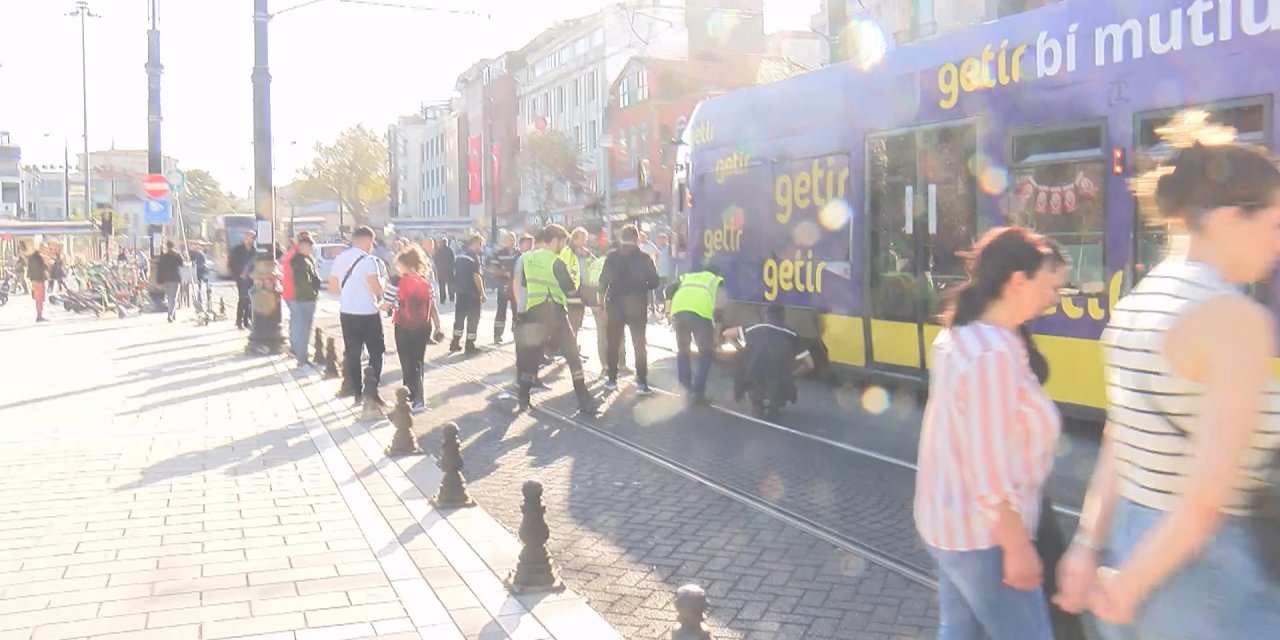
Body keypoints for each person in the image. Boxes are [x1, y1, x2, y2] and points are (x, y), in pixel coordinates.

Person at [1055, 141, 1280, 639]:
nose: (1278, 244)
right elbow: (1205, 497)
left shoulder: (1141, 300)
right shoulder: (1235, 319)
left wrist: (1088, 545)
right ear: (1227, 220)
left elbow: (1122, 437)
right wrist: (1132, 586)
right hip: (1211, 570)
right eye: (1274, 225)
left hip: (1134, 541)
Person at [912, 227, 1065, 640]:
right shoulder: (992, 354)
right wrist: (1016, 547)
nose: (1053, 298)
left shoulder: (963, 335)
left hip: (950, 526)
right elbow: (989, 473)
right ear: (1018, 281)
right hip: (984, 539)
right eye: (1050, 286)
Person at [514, 224, 597, 415]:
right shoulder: (556, 261)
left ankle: (523, 397)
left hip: (533, 311)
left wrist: (521, 313)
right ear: (555, 240)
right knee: (572, 355)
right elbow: (570, 288)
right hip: (555, 312)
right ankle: (583, 398)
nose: (563, 246)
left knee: (531, 357)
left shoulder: (526, 259)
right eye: (563, 242)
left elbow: (523, 288)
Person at [327, 226, 388, 403]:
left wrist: (350, 291)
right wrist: (383, 281)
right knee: (376, 351)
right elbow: (377, 288)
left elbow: (332, 287)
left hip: (347, 311)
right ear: (368, 240)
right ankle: (372, 388)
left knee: (353, 352)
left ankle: (357, 393)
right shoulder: (370, 261)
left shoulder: (340, 259)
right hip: (368, 311)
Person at [723, 303, 813, 418]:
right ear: (783, 317)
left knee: (748, 364)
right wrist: (792, 375)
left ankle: (757, 404)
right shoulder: (791, 334)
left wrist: (741, 349)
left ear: (766, 315)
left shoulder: (755, 328)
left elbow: (726, 334)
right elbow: (810, 365)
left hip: (754, 373)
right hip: (779, 376)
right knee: (779, 373)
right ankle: (774, 405)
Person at [599, 225, 659, 394]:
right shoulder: (645, 258)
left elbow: (603, 281)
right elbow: (654, 282)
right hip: (637, 305)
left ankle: (611, 380)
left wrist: (601, 302)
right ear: (637, 238)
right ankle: (641, 382)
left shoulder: (611, 257)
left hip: (615, 304)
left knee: (613, 343)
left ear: (621, 237)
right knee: (639, 344)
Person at [383, 247, 443, 413]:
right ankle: (419, 400)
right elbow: (433, 306)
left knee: (406, 363)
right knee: (418, 362)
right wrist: (437, 326)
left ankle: (408, 397)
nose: (397, 269)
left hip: (403, 326)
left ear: (404, 264)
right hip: (423, 326)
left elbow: (386, 305)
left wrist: (377, 304)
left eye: (398, 265)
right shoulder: (425, 281)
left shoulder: (396, 281)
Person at [668, 263, 726, 405]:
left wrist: (667, 309)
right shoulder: (716, 281)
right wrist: (716, 336)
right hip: (700, 315)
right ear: (716, 273)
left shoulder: (688, 277)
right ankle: (697, 394)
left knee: (683, 350)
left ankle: (685, 389)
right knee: (706, 353)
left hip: (679, 311)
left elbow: (669, 289)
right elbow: (719, 309)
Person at [584, 242, 626, 373]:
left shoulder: (597, 262)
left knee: (602, 333)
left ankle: (605, 366)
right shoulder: (615, 262)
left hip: (594, 300)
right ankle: (622, 365)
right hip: (609, 300)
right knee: (618, 333)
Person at [289, 236, 321, 369]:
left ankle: (302, 357)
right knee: (304, 330)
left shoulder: (305, 260)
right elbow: (304, 283)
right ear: (303, 246)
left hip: (302, 298)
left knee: (302, 329)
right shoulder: (300, 262)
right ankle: (302, 359)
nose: (311, 249)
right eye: (309, 247)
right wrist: (312, 295)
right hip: (304, 299)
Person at [450, 233, 486, 354]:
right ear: (475, 243)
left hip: (460, 292)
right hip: (472, 293)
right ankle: (470, 345)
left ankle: (455, 342)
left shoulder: (460, 255)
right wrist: (482, 293)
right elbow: (476, 276)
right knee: (473, 319)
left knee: (459, 318)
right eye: (481, 244)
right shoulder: (474, 257)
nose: (482, 247)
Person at [559, 227, 592, 349]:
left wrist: (588, 255)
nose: (585, 242)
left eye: (586, 239)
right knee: (573, 320)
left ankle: (572, 344)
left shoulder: (585, 253)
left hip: (583, 289)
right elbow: (563, 270)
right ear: (575, 239)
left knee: (578, 320)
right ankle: (570, 348)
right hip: (572, 290)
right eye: (583, 239)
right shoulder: (567, 252)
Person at [489, 231, 521, 344]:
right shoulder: (499, 253)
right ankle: (497, 335)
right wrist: (504, 273)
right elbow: (493, 267)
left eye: (513, 239)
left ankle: (517, 332)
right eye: (510, 239)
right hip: (503, 286)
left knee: (517, 311)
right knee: (501, 311)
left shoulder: (519, 253)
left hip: (516, 286)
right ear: (504, 241)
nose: (512, 241)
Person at [228, 231, 257, 329]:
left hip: (251, 277)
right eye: (249, 237)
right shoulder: (238, 249)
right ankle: (239, 320)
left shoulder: (254, 251)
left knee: (250, 299)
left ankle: (247, 320)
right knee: (243, 298)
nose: (251, 240)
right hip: (241, 277)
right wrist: (238, 273)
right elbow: (231, 262)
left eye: (253, 238)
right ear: (245, 238)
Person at [155, 240, 184, 323]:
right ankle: (170, 315)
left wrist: (159, 281)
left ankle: (172, 314)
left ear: (167, 247)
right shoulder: (177, 255)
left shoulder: (163, 257)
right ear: (173, 246)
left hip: (167, 279)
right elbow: (182, 265)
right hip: (176, 278)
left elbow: (159, 270)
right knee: (174, 298)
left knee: (170, 298)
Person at [637, 230, 661, 315]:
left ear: (645, 237)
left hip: (649, 268)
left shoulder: (650, 245)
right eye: (639, 237)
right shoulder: (639, 245)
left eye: (642, 237)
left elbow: (658, 253)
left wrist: (656, 264)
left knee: (650, 289)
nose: (640, 238)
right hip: (641, 269)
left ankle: (652, 306)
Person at [26, 243, 48, 322]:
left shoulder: (31, 259)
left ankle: (39, 315)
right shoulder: (38, 258)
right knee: (40, 299)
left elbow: (29, 270)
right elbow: (43, 267)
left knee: (38, 299)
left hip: (34, 281)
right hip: (39, 280)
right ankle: (39, 315)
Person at [433, 236, 455, 303]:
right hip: (449, 270)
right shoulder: (450, 250)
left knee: (442, 285)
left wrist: (437, 267)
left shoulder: (438, 251)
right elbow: (453, 260)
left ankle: (443, 299)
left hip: (441, 270)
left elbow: (435, 260)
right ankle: (451, 297)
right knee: (450, 284)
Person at [190, 244, 210, 313]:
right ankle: (201, 285)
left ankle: (200, 286)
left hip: (200, 268)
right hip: (201, 268)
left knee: (200, 280)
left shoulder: (199, 254)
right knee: (201, 280)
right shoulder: (201, 254)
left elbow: (195, 261)